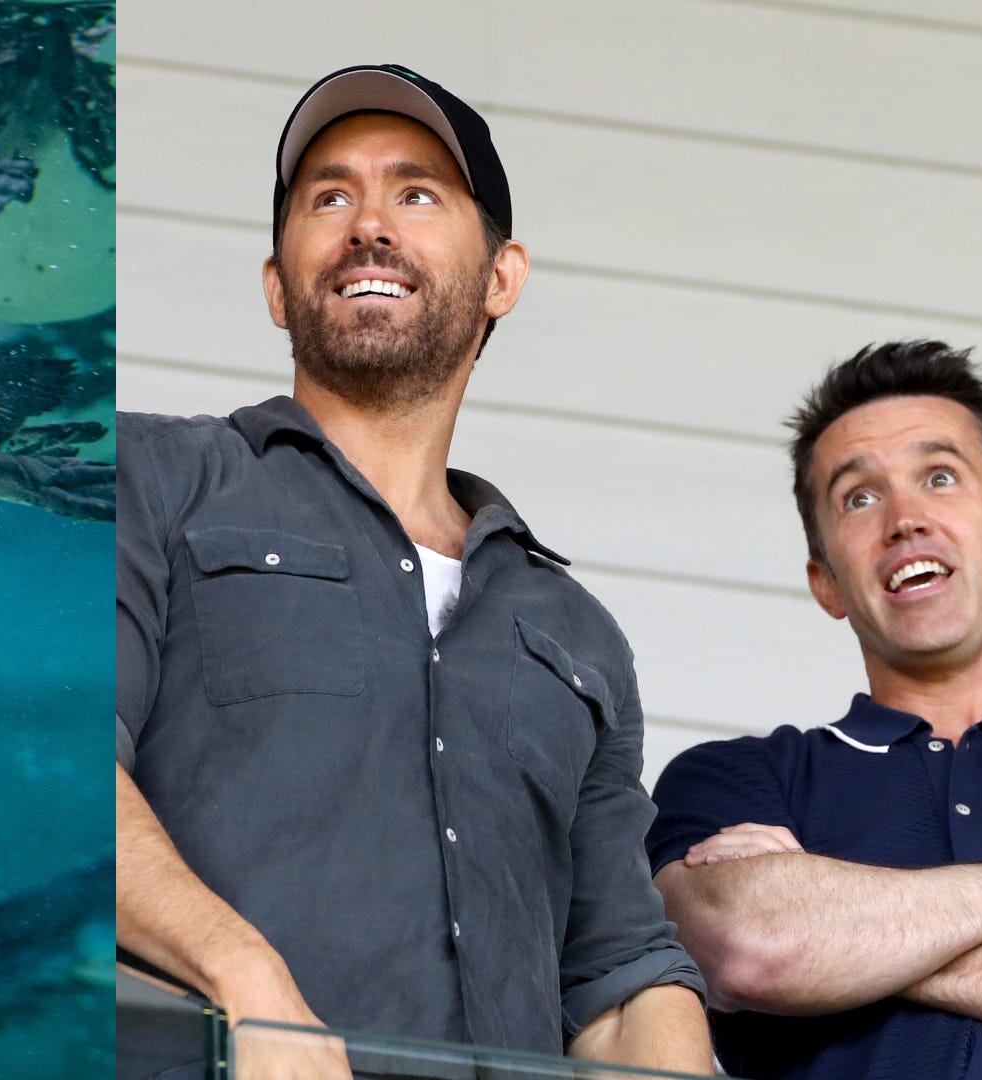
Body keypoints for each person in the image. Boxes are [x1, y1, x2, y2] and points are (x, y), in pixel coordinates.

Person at [116, 63, 712, 1079]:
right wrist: (246, 980)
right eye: (329, 196)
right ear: (276, 283)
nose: (368, 225)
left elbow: (617, 973)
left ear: (501, 278)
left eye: (418, 192)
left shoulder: (575, 633)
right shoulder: (154, 479)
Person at [647, 340, 982, 1080]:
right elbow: (748, 943)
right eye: (859, 497)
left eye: (940, 476)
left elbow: (792, 943)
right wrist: (786, 938)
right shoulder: (736, 780)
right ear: (826, 582)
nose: (905, 518)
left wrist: (836, 936)